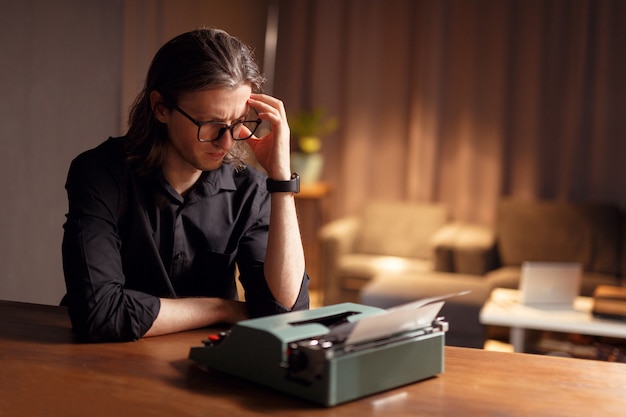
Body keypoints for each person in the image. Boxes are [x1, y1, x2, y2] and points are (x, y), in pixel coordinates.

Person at [62, 28, 309, 342]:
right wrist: (221, 309)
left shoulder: (252, 190)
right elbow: (100, 314)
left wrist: (281, 181)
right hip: (102, 365)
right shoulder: (99, 173)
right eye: (210, 124)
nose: (227, 140)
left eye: (238, 123)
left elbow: (287, 315)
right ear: (161, 108)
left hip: (206, 368)